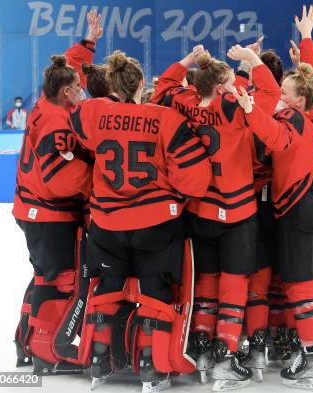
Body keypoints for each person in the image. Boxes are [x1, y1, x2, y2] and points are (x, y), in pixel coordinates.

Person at [69, 50, 212, 392]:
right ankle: (152, 366)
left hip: (106, 223)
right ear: (141, 84)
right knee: (155, 291)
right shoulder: (165, 118)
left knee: (105, 290)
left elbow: (80, 128)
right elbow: (195, 179)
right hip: (155, 223)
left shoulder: (93, 111)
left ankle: (99, 360)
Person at [151, 44, 280, 391]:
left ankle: (204, 350)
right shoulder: (233, 107)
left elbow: (163, 87)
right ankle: (226, 355)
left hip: (199, 208)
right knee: (234, 283)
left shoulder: (186, 102)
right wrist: (252, 61)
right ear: (222, 87)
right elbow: (270, 93)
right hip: (237, 210)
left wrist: (188, 62)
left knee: (206, 283)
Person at [234, 61, 313, 390]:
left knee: (303, 289)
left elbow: (275, 137)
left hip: (302, 208)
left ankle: (310, 360)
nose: (279, 97)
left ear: (297, 100)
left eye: (284, 93)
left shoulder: (291, 117)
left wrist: (251, 109)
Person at [12, 9, 102, 375]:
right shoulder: (57, 122)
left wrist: (89, 41)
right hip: (48, 214)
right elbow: (60, 179)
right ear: (67, 92)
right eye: (77, 87)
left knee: (42, 274)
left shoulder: (48, 97)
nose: (81, 89)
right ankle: (49, 353)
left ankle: (26, 341)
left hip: (32, 209)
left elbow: (69, 65)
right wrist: (99, 176)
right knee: (58, 278)